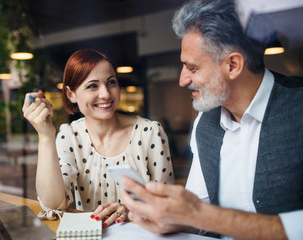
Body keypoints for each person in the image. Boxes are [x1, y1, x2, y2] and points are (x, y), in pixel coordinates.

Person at [120, 0, 303, 239]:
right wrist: (159, 214)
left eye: (192, 68)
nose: (182, 80)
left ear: (233, 65)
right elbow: (198, 214)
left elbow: (203, 215)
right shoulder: (205, 123)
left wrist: (202, 215)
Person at [22, 49, 175, 227]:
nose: (106, 94)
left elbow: (170, 205)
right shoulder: (70, 136)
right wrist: (46, 136)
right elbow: (53, 204)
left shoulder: (149, 132)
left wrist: (132, 211)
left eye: (111, 82)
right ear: (71, 94)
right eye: (92, 86)